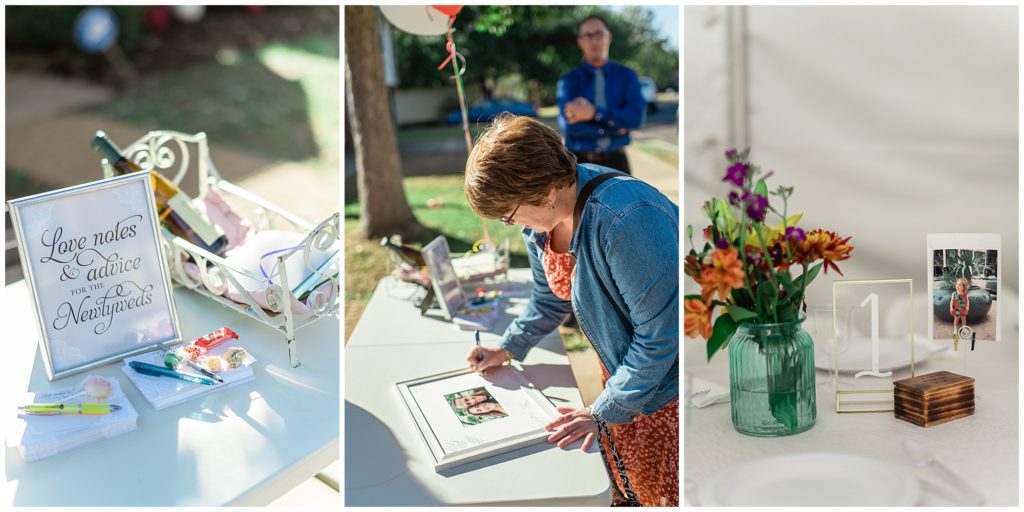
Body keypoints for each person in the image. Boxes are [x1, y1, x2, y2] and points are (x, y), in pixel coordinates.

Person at [463, 114, 678, 506]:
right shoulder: (542, 222)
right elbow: (548, 299)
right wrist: (509, 347)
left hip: (667, 395)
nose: (511, 225)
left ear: (546, 192)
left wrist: (603, 410)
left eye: (509, 215)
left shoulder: (626, 220)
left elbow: (660, 337)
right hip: (624, 380)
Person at [557, 14, 646, 176]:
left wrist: (594, 113)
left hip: (617, 162)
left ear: (609, 38)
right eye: (588, 36)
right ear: (580, 42)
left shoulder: (627, 76)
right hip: (579, 164)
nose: (594, 41)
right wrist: (616, 125)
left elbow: (636, 118)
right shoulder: (569, 81)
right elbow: (570, 127)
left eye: (599, 34)